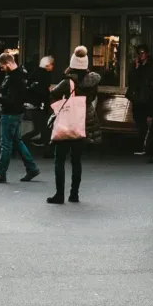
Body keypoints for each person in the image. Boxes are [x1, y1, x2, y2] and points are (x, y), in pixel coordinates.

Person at [46, 46, 97, 204]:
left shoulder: (67, 82)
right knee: (76, 160)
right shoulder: (92, 81)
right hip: (83, 123)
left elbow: (53, 94)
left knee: (59, 159)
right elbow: (91, 98)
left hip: (67, 123)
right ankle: (74, 194)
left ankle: (59, 195)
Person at [0, 48, 40, 184]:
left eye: (2, 66)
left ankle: (1, 172)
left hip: (10, 113)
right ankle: (31, 168)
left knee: (5, 143)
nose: (2, 69)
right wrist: (1, 90)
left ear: (8, 63)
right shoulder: (19, 75)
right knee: (17, 141)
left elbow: (12, 99)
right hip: (16, 112)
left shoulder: (14, 77)